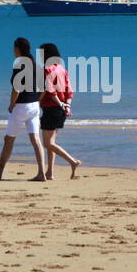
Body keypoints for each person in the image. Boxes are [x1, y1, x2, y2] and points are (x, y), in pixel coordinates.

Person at [0, 37, 47, 181]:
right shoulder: (36, 65)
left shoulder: (20, 64)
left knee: (9, 139)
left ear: (17, 49)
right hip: (34, 106)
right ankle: (42, 173)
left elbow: (16, 88)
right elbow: (44, 88)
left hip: (21, 106)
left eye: (14, 48)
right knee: (35, 139)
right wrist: (37, 101)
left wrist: (12, 104)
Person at [38, 42, 81, 179]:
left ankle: (72, 161)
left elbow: (50, 91)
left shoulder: (47, 69)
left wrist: (37, 102)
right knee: (51, 142)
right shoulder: (62, 69)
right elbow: (69, 91)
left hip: (51, 109)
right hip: (60, 111)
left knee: (47, 143)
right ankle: (50, 173)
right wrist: (66, 105)